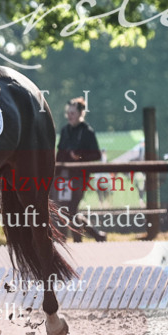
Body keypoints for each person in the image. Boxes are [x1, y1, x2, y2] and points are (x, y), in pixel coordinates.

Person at [53, 97, 106, 243]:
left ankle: (80, 239)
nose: (70, 115)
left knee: (71, 208)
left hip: (80, 176)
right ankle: (95, 235)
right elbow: (60, 152)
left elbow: (96, 154)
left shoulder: (87, 132)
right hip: (64, 177)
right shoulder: (65, 131)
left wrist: (79, 156)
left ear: (80, 113)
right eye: (68, 113)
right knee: (67, 210)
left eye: (73, 113)